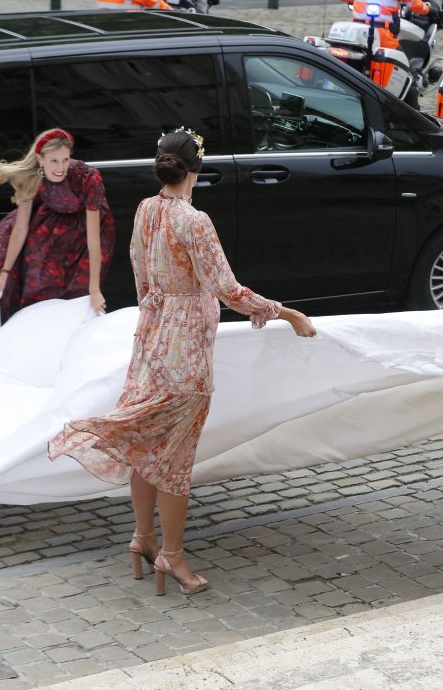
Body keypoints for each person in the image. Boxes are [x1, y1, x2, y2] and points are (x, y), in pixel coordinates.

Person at [48, 129, 316, 596]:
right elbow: (228, 290)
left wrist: (157, 316)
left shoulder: (146, 209)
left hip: (151, 337)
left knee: (144, 441)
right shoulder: (195, 221)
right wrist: (287, 313)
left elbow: (138, 273)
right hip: (185, 347)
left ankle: (143, 537)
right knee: (173, 457)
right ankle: (171, 556)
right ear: (196, 169)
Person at [0, 129, 115, 322]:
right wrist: (4, 273)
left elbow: (93, 239)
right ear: (40, 159)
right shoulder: (32, 177)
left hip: (89, 229)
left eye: (65, 159)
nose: (61, 167)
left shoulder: (87, 177)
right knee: (38, 282)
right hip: (51, 226)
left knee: (79, 293)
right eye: (54, 160)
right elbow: (20, 228)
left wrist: (94, 289)